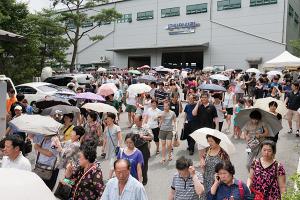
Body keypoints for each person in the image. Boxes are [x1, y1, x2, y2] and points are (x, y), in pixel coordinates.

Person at [192, 92, 218, 160]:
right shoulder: (199, 106)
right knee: (200, 147)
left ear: (208, 98)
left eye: (205, 97)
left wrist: (217, 128)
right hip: (200, 129)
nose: (203, 99)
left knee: (209, 146)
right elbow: (194, 113)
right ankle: (201, 160)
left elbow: (216, 118)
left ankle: (207, 160)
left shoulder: (212, 106)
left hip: (210, 129)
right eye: (202, 97)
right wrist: (198, 103)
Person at [131, 115, 153, 185]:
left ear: (141, 120)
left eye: (137, 121)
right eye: (134, 121)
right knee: (135, 164)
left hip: (144, 148)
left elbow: (151, 137)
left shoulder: (146, 127)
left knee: (144, 165)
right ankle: (137, 178)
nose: (135, 123)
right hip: (135, 148)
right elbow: (130, 137)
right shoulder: (133, 126)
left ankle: (145, 178)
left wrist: (143, 136)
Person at [102, 112, 123, 178]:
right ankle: (117, 175)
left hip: (115, 149)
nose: (107, 120)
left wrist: (120, 147)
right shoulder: (106, 128)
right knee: (114, 163)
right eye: (106, 119)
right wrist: (103, 147)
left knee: (112, 164)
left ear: (113, 119)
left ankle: (110, 178)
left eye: (108, 118)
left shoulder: (117, 128)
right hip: (109, 149)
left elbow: (120, 138)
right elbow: (105, 139)